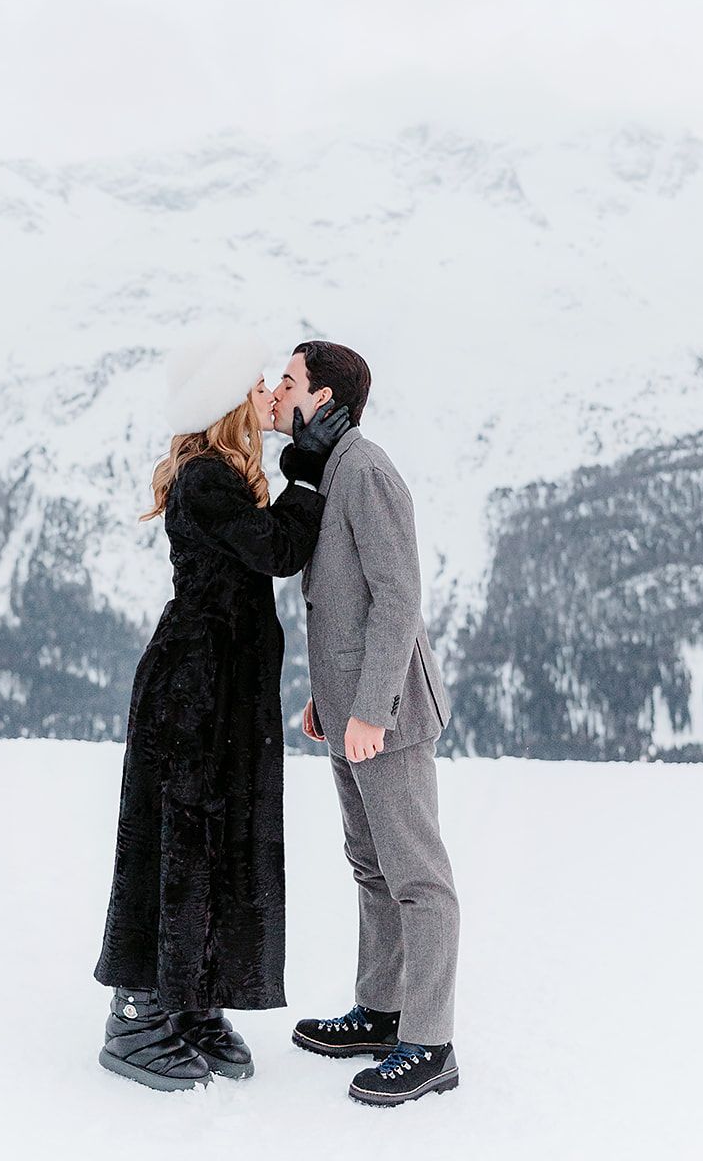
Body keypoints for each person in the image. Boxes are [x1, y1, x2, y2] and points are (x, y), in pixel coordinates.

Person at [93, 329, 351, 1092]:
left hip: (224, 690)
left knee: (218, 838)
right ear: (234, 402)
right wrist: (307, 463)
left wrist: (295, 463)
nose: (274, 392)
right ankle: (136, 1014)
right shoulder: (207, 476)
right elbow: (277, 550)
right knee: (177, 836)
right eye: (262, 384)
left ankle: (192, 998)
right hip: (192, 691)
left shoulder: (222, 473)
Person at [272, 340, 462, 1108]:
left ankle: (429, 1043)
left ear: (320, 398)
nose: (276, 391)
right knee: (370, 866)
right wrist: (331, 696)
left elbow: (396, 600)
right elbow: (341, 602)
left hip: (387, 717)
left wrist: (372, 709)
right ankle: (381, 1012)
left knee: (418, 878)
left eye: (287, 380)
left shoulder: (368, 471)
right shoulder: (330, 467)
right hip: (352, 708)